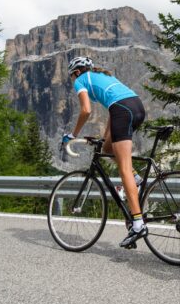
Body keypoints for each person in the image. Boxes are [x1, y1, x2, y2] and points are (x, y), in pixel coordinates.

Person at [62, 56, 147, 249]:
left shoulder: (81, 80)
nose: (72, 80)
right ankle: (136, 179)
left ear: (76, 72)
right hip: (136, 107)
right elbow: (113, 108)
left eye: (72, 76)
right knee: (108, 148)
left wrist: (73, 134)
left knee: (124, 169)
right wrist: (105, 137)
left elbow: (86, 110)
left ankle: (137, 224)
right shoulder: (103, 76)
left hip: (123, 111)